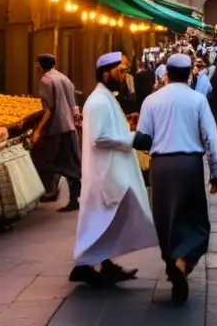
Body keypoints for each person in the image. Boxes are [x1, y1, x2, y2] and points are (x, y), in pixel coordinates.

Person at [134, 54, 217, 303]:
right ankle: (183, 261)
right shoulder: (197, 100)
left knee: (165, 219)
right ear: (189, 74)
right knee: (193, 218)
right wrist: (216, 172)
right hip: (189, 166)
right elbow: (210, 138)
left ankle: (174, 262)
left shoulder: (151, 101)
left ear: (167, 74)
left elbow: (142, 140)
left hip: (161, 167)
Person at [72, 52, 156, 287]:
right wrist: (133, 138)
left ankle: (100, 265)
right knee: (102, 221)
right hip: (105, 173)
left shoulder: (105, 97)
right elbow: (101, 136)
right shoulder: (99, 101)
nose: (124, 75)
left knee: (106, 221)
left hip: (110, 170)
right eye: (121, 70)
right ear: (106, 72)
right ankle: (86, 265)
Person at [30, 54, 82, 212]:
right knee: (71, 162)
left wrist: (38, 130)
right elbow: (73, 103)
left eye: (37, 65)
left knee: (45, 159)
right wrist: (76, 119)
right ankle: (73, 197)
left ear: (41, 66)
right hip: (69, 127)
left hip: (57, 128)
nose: (35, 68)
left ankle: (51, 191)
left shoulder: (46, 80)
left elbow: (49, 108)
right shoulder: (63, 78)